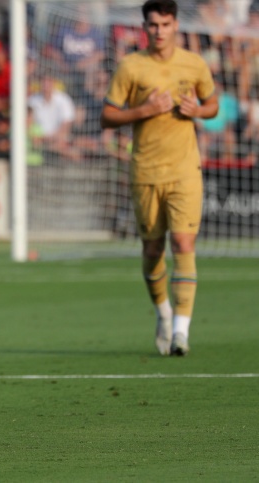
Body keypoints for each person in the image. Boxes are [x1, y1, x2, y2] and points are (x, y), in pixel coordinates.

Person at [100, 0, 219, 356]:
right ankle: (163, 313)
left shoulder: (194, 64)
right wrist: (145, 110)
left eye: (165, 24)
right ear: (145, 27)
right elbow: (107, 116)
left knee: (183, 243)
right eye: (153, 25)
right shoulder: (131, 66)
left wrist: (199, 110)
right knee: (153, 250)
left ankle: (182, 330)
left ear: (176, 25)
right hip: (145, 171)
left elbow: (212, 104)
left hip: (185, 170)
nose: (159, 31)